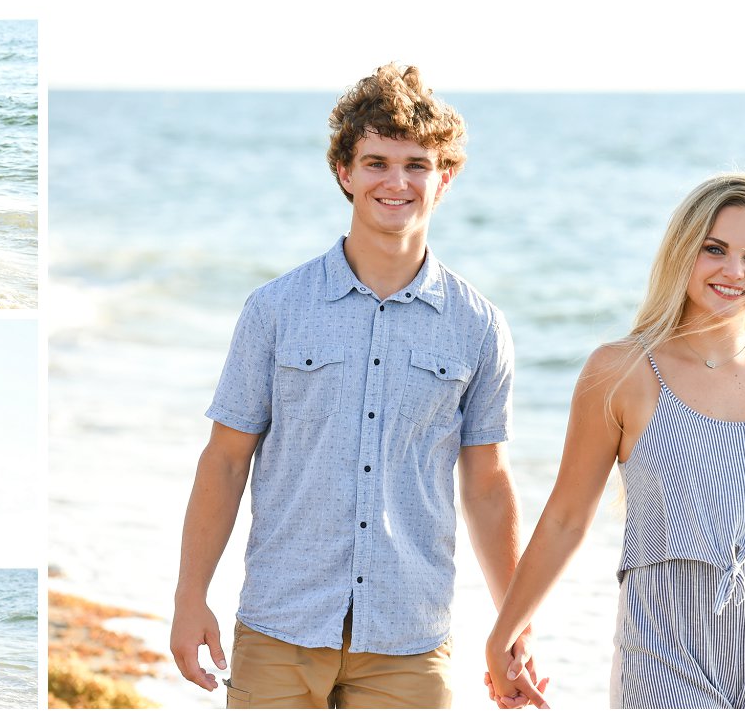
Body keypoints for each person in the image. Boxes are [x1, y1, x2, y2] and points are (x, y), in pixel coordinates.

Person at [169, 63, 542, 709]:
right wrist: (188, 595)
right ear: (345, 172)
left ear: (444, 177)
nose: (396, 182)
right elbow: (226, 461)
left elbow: (487, 484)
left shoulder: (478, 326)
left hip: (409, 636)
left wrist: (512, 626)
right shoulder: (275, 308)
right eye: (376, 162)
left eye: (417, 165)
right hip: (280, 626)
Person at [484, 170, 745, 709]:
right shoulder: (620, 370)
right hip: (663, 656)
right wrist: (504, 635)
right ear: (683, 250)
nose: (734, 271)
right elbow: (566, 518)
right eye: (715, 249)